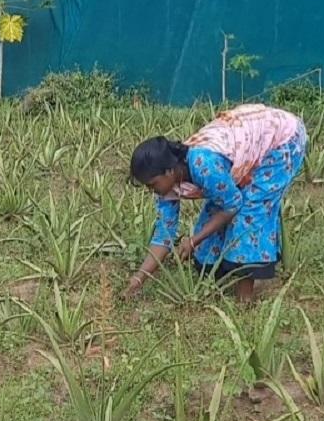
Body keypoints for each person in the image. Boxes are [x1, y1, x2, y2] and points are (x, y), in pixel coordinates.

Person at [125, 104, 307, 303]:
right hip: (245, 142)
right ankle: (222, 274)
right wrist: (138, 279)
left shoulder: (204, 166)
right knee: (216, 210)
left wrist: (194, 240)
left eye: (152, 184)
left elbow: (233, 205)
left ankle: (245, 300)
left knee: (250, 212)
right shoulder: (169, 184)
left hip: (280, 139)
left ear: (169, 171)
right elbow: (163, 235)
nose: (151, 190)